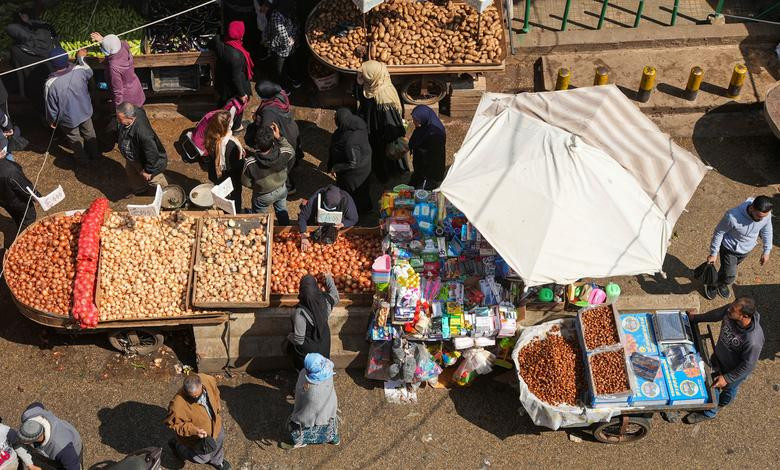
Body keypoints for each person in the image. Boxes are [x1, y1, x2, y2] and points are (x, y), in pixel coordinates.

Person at [684, 297, 764, 424]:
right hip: (718, 357)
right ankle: (717, 402)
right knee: (711, 381)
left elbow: (748, 366)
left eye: (733, 309)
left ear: (744, 316)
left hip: (733, 371)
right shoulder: (731, 311)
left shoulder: (753, 340)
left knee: (726, 388)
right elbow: (716, 314)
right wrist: (696, 318)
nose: (728, 309)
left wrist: (726, 378)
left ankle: (711, 412)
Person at [704, 196, 773, 300]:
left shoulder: (765, 215)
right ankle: (713, 284)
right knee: (730, 275)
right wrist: (713, 253)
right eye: (759, 216)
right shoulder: (732, 216)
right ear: (751, 208)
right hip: (729, 249)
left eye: (764, 216)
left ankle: (720, 282)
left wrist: (766, 251)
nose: (761, 219)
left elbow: (767, 231)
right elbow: (719, 232)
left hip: (746, 250)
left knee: (726, 270)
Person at [45, 47, 99, 165]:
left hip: (67, 118)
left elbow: (51, 105)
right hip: (85, 111)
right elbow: (89, 72)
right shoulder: (80, 70)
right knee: (89, 132)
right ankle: (95, 154)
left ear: (52, 64)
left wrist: (52, 119)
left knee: (74, 138)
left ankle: (82, 160)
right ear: (67, 59)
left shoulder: (50, 84)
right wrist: (81, 58)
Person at [165, 373, 231, 470]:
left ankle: (217, 461)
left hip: (215, 425)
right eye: (192, 396)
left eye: (197, 395)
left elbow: (215, 391)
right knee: (202, 458)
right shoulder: (176, 405)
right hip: (197, 437)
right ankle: (178, 446)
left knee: (219, 439)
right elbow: (174, 424)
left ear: (201, 385)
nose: (196, 398)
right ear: (185, 391)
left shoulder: (207, 380)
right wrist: (194, 430)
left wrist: (217, 407)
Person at [355, 61, 406, 184]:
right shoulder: (376, 82)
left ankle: (385, 177)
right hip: (373, 127)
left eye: (363, 75)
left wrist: (386, 138)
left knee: (382, 157)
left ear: (372, 76)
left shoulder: (384, 99)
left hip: (381, 135)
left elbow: (391, 124)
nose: (361, 77)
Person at [248, 80, 301, 195]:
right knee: (292, 153)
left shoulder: (268, 111)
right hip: (291, 129)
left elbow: (265, 131)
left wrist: (257, 121)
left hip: (283, 134)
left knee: (280, 164)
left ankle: (289, 187)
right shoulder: (281, 94)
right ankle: (295, 164)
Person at [5, 8, 59, 116]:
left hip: (34, 82)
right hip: (50, 79)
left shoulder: (18, 48)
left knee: (43, 104)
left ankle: (49, 119)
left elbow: (10, 28)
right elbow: (49, 29)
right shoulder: (47, 35)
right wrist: (29, 22)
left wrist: (26, 22)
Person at [281, 353, 340, 449]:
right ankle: (333, 438)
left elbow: (305, 412)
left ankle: (299, 441)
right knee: (330, 423)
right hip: (329, 409)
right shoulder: (328, 371)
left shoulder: (311, 390)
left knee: (299, 426)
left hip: (311, 414)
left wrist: (296, 417)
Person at [241, 123, 292, 224]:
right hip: (281, 189)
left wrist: (258, 186)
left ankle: (261, 229)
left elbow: (246, 182)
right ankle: (284, 227)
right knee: (282, 211)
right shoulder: (283, 153)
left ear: (256, 143)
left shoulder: (250, 163)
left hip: (262, 195)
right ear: (273, 142)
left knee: (260, 217)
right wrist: (279, 137)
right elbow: (290, 150)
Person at [116, 102, 168, 196]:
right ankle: (140, 190)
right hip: (133, 157)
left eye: (120, 119)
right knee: (132, 172)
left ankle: (168, 193)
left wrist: (148, 171)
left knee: (155, 179)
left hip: (145, 161)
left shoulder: (144, 134)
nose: (118, 120)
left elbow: (152, 153)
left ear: (130, 117)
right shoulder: (135, 111)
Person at [287, 275, 339, 371]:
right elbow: (335, 296)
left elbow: (299, 340)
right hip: (324, 347)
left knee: (289, 346)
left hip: (307, 355)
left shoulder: (300, 313)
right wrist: (328, 278)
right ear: (316, 287)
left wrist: (289, 336)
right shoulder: (325, 301)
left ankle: (302, 371)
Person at [212, 21, 253, 132]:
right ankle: (237, 126)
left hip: (222, 82)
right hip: (234, 85)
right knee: (239, 104)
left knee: (222, 103)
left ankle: (218, 121)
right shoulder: (237, 55)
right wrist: (242, 94)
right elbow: (236, 78)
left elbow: (215, 39)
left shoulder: (218, 42)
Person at [328, 108, 372, 212]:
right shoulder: (358, 124)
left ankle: (355, 211)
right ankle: (365, 207)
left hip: (354, 173)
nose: (334, 120)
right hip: (365, 163)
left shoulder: (350, 142)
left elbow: (353, 163)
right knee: (363, 190)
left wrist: (336, 168)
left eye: (335, 119)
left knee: (353, 192)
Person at [17, 403, 82, 470]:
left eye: (25, 440)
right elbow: (37, 404)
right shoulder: (29, 415)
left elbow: (74, 467)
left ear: (36, 438)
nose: (22, 441)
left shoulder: (61, 449)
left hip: (73, 447)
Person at [202, 110, 246, 211]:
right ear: (226, 126)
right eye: (230, 121)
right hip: (229, 177)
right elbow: (233, 166)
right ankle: (234, 211)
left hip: (215, 172)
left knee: (221, 195)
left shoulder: (211, 134)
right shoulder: (230, 145)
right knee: (234, 197)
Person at [89, 32, 145, 110]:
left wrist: (118, 108)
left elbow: (118, 91)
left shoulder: (114, 67)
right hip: (135, 88)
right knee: (139, 110)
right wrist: (104, 41)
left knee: (131, 114)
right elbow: (115, 44)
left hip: (127, 98)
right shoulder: (124, 45)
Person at [298, 185, 358, 251]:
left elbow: (354, 219)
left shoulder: (346, 199)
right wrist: (303, 235)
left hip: (337, 225)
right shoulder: (316, 197)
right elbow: (303, 216)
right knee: (307, 211)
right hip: (317, 222)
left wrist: (343, 224)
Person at [408, 105, 446, 189]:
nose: (413, 122)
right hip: (421, 168)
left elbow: (436, 159)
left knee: (421, 192)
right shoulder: (423, 127)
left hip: (429, 173)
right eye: (413, 119)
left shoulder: (435, 134)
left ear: (423, 117)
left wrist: (427, 179)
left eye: (416, 119)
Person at [268, 0, 302, 90]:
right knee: (292, 62)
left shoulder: (276, 15)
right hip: (292, 43)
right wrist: (293, 38)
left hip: (281, 47)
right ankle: (296, 80)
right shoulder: (292, 10)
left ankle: (285, 88)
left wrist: (287, 42)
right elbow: (297, 26)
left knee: (280, 68)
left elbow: (281, 34)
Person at [0, 156, 37, 232]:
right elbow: (24, 188)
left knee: (16, 216)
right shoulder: (11, 170)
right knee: (28, 219)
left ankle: (19, 225)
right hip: (19, 202)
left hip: (4, 201)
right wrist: (36, 196)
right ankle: (24, 235)